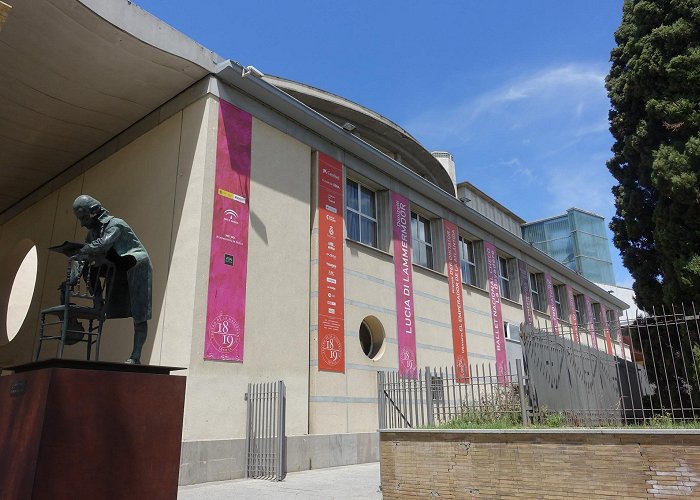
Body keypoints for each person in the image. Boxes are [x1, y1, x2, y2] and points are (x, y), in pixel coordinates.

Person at [72, 195, 153, 364]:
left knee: (140, 313)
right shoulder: (91, 233)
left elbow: (102, 244)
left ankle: (135, 356)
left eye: (84, 218)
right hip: (117, 267)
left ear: (94, 212)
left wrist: (81, 251)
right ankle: (98, 301)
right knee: (88, 266)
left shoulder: (115, 224)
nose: (82, 223)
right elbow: (84, 256)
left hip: (136, 265)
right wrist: (71, 280)